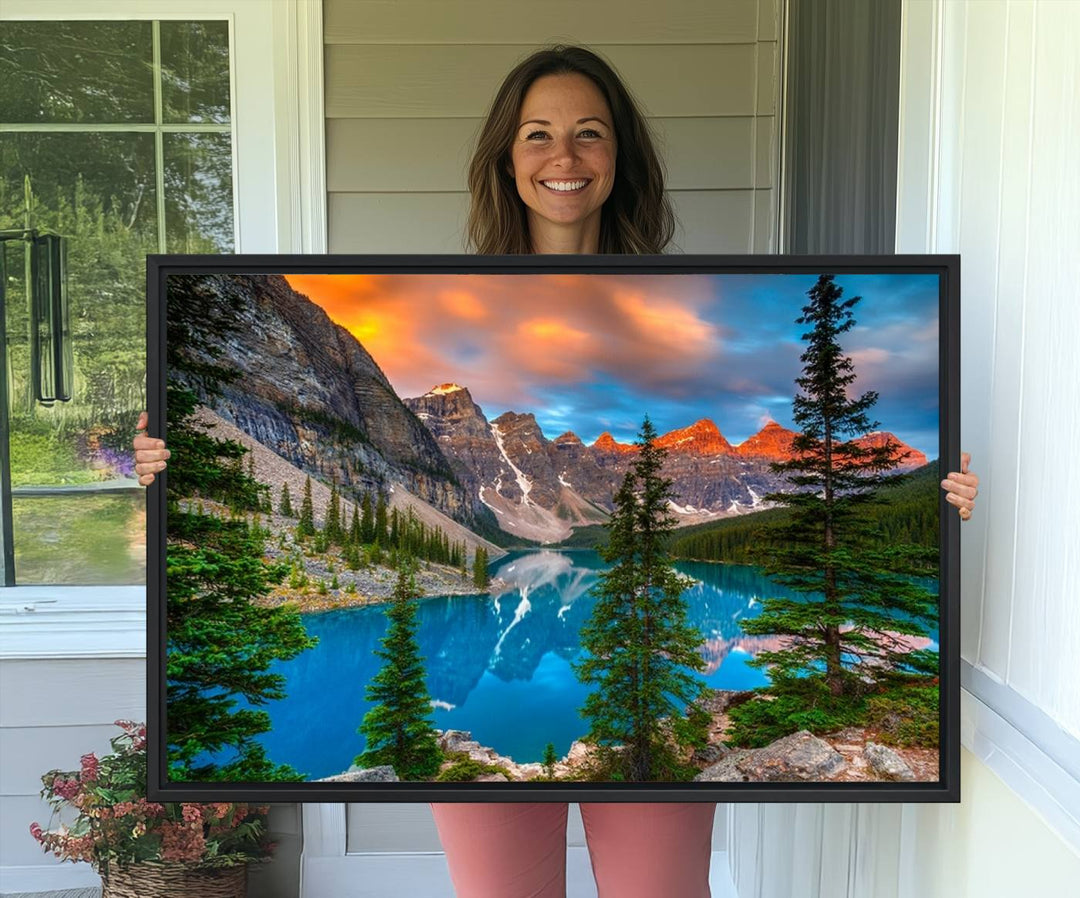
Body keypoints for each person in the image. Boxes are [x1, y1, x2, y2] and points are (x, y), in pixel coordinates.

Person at [133, 44, 980, 898]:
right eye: (538, 134)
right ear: (507, 157)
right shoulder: (445, 292)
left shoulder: (686, 289)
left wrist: (939, 504)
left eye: (589, 134)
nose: (563, 157)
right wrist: (166, 468)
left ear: (620, 158)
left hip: (648, 706)